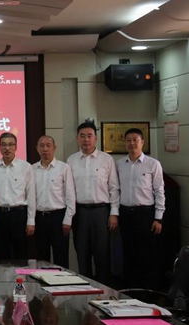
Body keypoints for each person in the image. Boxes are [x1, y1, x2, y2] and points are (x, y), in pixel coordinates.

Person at [67, 121, 120, 284]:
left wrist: (114, 213)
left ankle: (104, 291)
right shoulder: (71, 160)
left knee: (102, 254)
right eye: (82, 136)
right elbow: (69, 191)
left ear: (96, 138)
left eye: (89, 136)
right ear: (77, 138)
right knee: (82, 254)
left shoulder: (106, 159)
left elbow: (114, 188)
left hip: (101, 212)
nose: (86, 139)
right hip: (80, 213)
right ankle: (86, 290)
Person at [116, 128, 165, 289]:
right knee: (128, 252)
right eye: (128, 140)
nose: (132, 143)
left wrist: (158, 218)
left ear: (142, 142)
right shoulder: (120, 164)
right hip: (125, 213)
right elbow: (116, 190)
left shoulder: (153, 164)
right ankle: (130, 289)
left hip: (145, 214)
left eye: (135, 140)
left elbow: (159, 192)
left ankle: (148, 290)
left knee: (147, 254)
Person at [0, 132, 36, 260]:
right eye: (3, 145)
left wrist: (31, 220)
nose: (7, 148)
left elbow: (31, 195)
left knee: (21, 254)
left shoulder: (26, 167)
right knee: (1, 255)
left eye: (10, 144)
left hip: (19, 215)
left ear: (16, 147)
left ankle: (20, 275)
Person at [33, 135, 76, 268]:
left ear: (54, 148)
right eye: (42, 146)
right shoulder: (32, 169)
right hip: (39, 217)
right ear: (37, 148)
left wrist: (68, 219)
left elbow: (70, 195)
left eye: (48, 145)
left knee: (60, 256)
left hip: (58, 217)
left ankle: (62, 281)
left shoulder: (64, 168)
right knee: (41, 257)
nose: (45, 149)